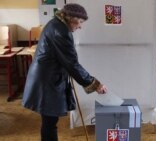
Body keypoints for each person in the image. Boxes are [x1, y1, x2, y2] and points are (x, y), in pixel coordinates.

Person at [22, 3, 107, 141]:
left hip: (46, 76)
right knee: (50, 122)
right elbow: (72, 64)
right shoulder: (60, 31)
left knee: (49, 121)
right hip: (46, 80)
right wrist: (95, 84)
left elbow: (67, 61)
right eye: (79, 22)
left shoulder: (57, 24)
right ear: (70, 19)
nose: (80, 26)